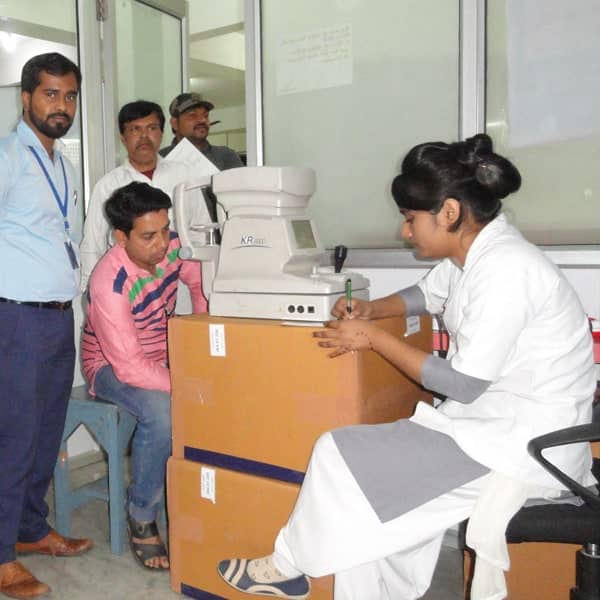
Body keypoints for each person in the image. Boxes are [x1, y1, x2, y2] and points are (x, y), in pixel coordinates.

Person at [216, 134, 596, 600]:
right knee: (368, 515)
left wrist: (372, 338)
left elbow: (463, 384)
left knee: (337, 455)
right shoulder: (473, 255)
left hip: (523, 443)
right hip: (492, 424)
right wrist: (372, 311)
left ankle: (288, 565)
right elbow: (426, 294)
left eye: (410, 218)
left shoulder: (506, 270)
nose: (405, 232)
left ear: (450, 212)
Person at [0, 53, 93, 599]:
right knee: (13, 437)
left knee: (43, 433)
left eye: (70, 96)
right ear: (27, 98)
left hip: (59, 318)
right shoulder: (9, 157)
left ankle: (31, 528)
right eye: (51, 94)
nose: (62, 105)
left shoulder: (62, 163)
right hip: (15, 318)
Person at [81, 181, 207, 570]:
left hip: (160, 356)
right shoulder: (109, 281)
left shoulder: (170, 251)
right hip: (107, 367)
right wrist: (186, 383)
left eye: (166, 230)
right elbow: (129, 367)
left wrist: (204, 332)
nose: (162, 243)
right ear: (121, 236)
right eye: (149, 236)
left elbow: (201, 283)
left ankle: (193, 496)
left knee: (223, 387)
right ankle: (142, 514)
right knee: (162, 411)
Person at [80, 100, 197, 290]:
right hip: (129, 291)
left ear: (161, 133)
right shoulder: (108, 186)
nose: (144, 136)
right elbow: (92, 246)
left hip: (180, 289)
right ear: (123, 138)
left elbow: (201, 230)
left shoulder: (185, 175)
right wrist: (91, 292)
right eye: (135, 129)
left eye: (151, 128)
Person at [159, 92, 244, 170]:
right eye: (193, 116)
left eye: (206, 115)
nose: (202, 120)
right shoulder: (160, 159)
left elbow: (241, 185)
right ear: (174, 123)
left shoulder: (226, 156)